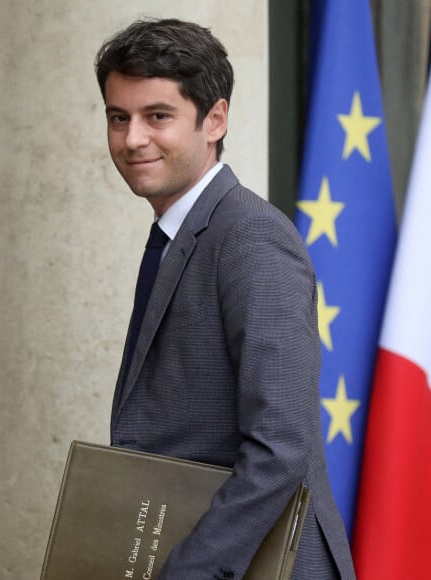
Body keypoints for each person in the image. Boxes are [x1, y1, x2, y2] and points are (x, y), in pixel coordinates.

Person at [94, 18, 355, 579]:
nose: (132, 137)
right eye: (120, 117)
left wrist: (186, 572)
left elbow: (281, 447)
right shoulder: (180, 234)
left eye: (157, 116)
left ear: (215, 119)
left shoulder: (250, 237)